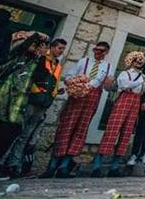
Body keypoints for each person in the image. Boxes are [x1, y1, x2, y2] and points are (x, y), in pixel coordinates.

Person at [0, 31, 48, 176]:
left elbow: (42, 78)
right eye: (33, 45)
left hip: (14, 110)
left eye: (37, 46)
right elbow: (20, 49)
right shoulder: (17, 56)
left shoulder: (37, 64)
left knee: (2, 140)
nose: (34, 48)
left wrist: (42, 56)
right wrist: (35, 36)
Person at [44, 41, 114, 178]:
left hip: (92, 98)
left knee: (81, 128)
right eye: (96, 50)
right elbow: (69, 76)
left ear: (106, 53)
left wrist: (109, 83)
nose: (98, 53)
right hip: (77, 96)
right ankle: (52, 165)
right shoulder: (84, 62)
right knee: (66, 126)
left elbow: (107, 86)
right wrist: (77, 82)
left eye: (101, 51)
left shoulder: (108, 67)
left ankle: (65, 165)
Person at [2, 38, 66, 177]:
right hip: (31, 100)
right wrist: (38, 90)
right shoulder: (41, 60)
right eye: (60, 48)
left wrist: (55, 92)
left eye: (63, 49)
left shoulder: (57, 65)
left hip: (44, 103)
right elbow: (31, 77)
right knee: (17, 131)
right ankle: (4, 162)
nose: (61, 51)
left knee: (26, 135)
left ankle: (14, 164)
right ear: (52, 47)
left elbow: (54, 81)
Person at [91, 51, 145, 177]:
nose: (139, 62)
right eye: (137, 60)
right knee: (112, 130)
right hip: (124, 100)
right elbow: (124, 85)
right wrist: (142, 80)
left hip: (135, 102)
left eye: (141, 60)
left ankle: (115, 166)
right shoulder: (125, 74)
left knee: (126, 133)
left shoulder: (143, 76)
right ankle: (97, 165)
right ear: (131, 62)